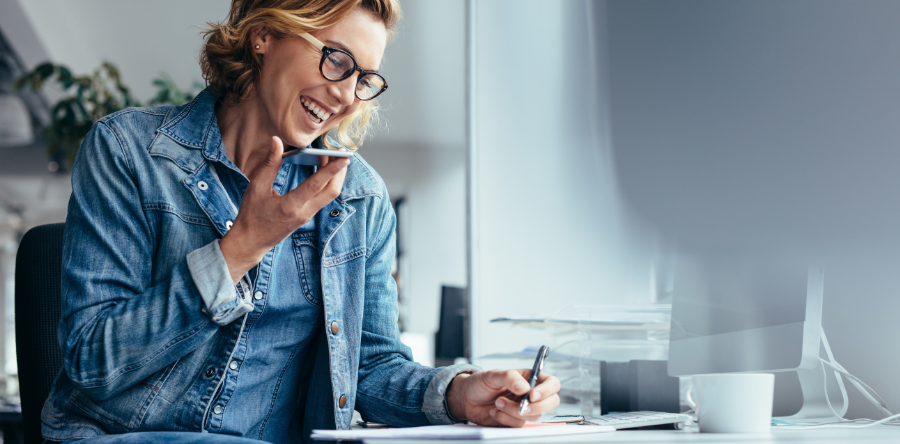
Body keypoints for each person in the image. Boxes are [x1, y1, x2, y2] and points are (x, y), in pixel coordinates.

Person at [40, 1, 560, 443]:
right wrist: (240, 247)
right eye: (337, 60)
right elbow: (93, 364)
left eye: (365, 79)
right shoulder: (131, 152)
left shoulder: (359, 197)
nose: (346, 94)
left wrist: (458, 394)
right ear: (264, 34)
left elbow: (371, 368)